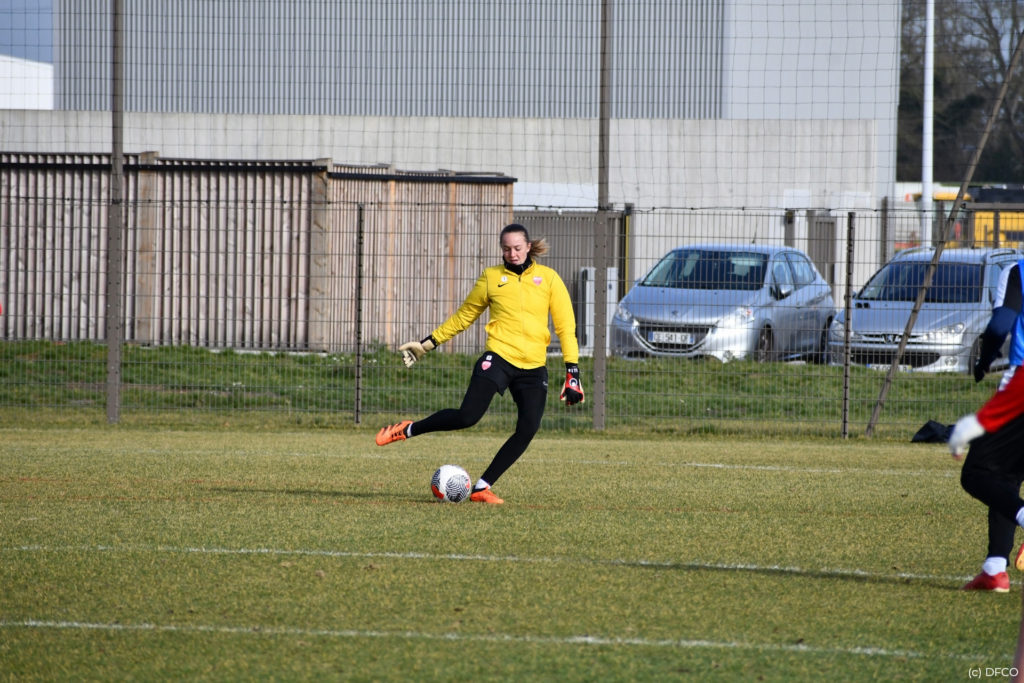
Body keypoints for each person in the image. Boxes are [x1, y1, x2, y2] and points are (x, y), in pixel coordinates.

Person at [374, 223, 584, 504]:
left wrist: (572, 372)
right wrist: (427, 344)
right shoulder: (491, 277)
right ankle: (408, 429)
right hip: (498, 357)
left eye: (517, 248)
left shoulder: (549, 279)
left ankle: (482, 488)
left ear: (528, 246)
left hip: (534, 366)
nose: (512, 254)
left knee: (528, 428)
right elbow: (464, 317)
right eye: (506, 249)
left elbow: (566, 327)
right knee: (467, 416)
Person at [951, 259, 1024, 591]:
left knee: (978, 473)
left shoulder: (1017, 270)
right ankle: (995, 568)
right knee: (1005, 475)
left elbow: (1000, 326)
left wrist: (984, 360)